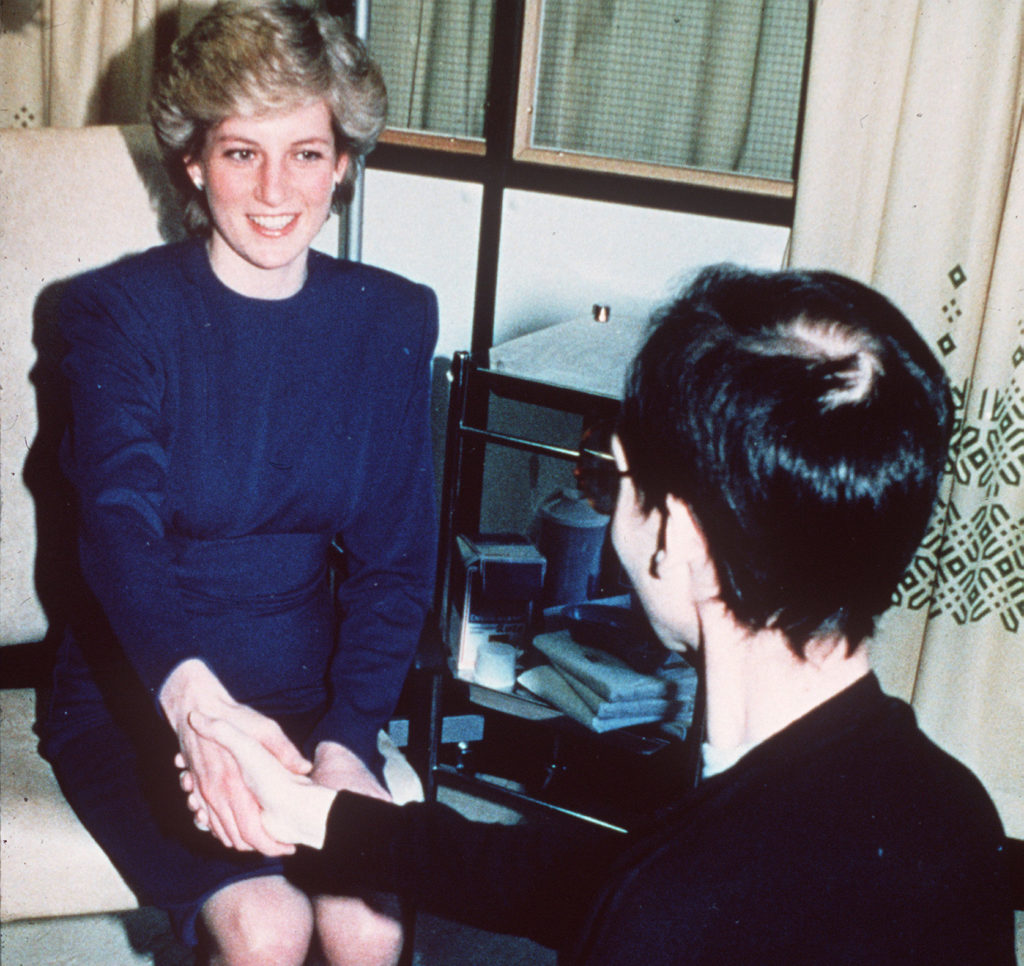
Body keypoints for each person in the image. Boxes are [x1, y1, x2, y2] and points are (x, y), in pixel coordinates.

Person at [192, 265, 1016, 964]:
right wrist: (309, 812)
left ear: (675, 536)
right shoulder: (952, 814)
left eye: (618, 480)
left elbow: (647, 893)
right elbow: (591, 874)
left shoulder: (671, 914)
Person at [43, 3, 437, 964]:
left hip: (311, 694)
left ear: (343, 162)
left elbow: (397, 563)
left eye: (306, 153)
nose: (275, 189)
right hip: (146, 688)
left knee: (366, 924)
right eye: (240, 152)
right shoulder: (111, 314)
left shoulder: (390, 318)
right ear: (192, 163)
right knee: (266, 927)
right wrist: (199, 714)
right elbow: (115, 532)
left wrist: (351, 736)